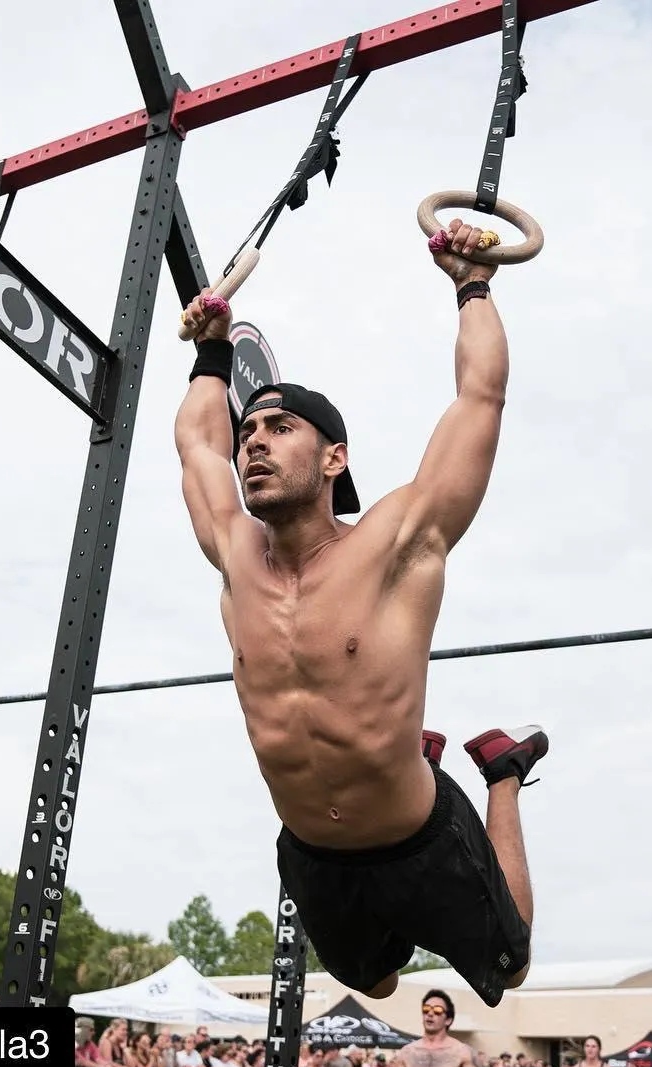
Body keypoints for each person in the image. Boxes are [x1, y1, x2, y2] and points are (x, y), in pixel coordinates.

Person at [175, 218, 548, 1009]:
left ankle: (503, 773)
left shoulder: (396, 543)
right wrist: (212, 353)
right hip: (315, 852)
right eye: (250, 432)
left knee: (508, 973)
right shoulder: (235, 551)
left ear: (333, 458)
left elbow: (481, 398)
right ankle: (428, 751)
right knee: (374, 983)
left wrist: (471, 285)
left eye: (281, 429)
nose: (255, 445)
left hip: (419, 837)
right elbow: (195, 447)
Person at [383, 990, 479, 1067]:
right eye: (426, 1009)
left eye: (437, 1010)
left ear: (448, 1020)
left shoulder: (461, 1051)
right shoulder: (408, 1052)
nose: (430, 1013)